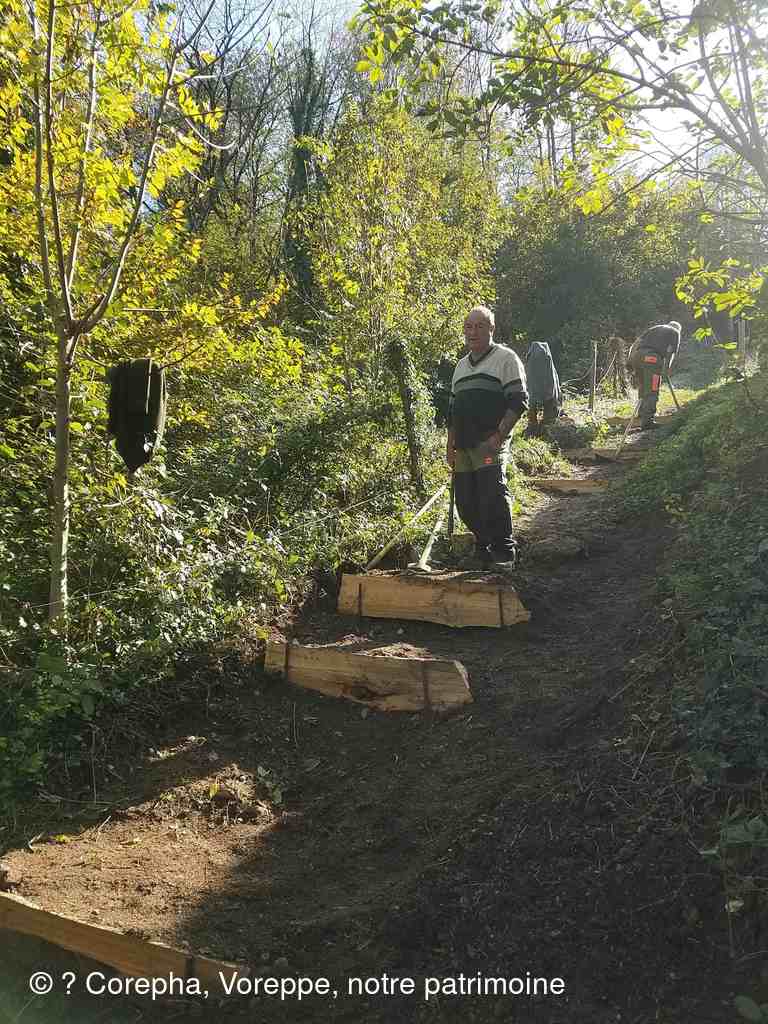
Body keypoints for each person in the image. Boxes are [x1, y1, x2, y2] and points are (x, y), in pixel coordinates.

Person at [446, 305, 528, 572]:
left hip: (489, 443)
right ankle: (482, 548)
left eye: (480, 326)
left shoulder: (505, 358)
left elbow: (518, 401)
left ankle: (504, 551)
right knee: (465, 502)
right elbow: (452, 410)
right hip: (463, 446)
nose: (473, 332)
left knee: (492, 495)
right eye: (469, 327)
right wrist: (449, 446)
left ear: (491, 329)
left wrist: (499, 435)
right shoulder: (460, 366)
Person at [628, 320, 681, 430]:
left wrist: (630, 361)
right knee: (652, 390)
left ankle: (642, 415)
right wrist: (666, 369)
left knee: (643, 387)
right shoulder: (675, 332)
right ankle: (648, 422)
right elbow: (670, 352)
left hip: (637, 357)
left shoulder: (653, 329)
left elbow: (636, 344)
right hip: (652, 360)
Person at [524, 341, 562, 436]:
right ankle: (534, 428)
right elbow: (530, 397)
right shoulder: (531, 368)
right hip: (534, 404)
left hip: (549, 410)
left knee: (549, 420)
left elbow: (554, 393)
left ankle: (544, 428)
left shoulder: (548, 369)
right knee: (532, 406)